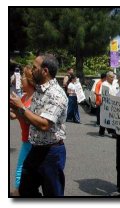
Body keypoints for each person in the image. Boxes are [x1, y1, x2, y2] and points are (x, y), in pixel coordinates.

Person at [10, 53, 68, 197]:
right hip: (35, 149)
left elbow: (44, 125)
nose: (32, 70)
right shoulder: (39, 91)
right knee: (25, 189)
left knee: (53, 193)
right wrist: (17, 109)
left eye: (35, 67)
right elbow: (31, 119)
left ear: (45, 71)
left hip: (51, 152)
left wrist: (21, 107)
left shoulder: (56, 94)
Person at [9, 66, 35, 196]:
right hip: (25, 139)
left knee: (23, 170)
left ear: (30, 81)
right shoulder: (24, 97)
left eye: (23, 77)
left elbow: (29, 120)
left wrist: (18, 108)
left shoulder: (35, 98)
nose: (20, 79)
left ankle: (18, 192)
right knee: (21, 169)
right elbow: (15, 116)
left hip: (33, 141)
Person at [99, 71, 117, 136]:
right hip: (106, 103)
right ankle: (102, 131)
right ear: (107, 77)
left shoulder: (115, 83)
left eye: (113, 77)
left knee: (112, 117)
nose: (112, 78)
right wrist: (100, 100)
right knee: (105, 116)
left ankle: (113, 132)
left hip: (114, 103)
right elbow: (101, 93)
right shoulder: (104, 84)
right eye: (111, 77)